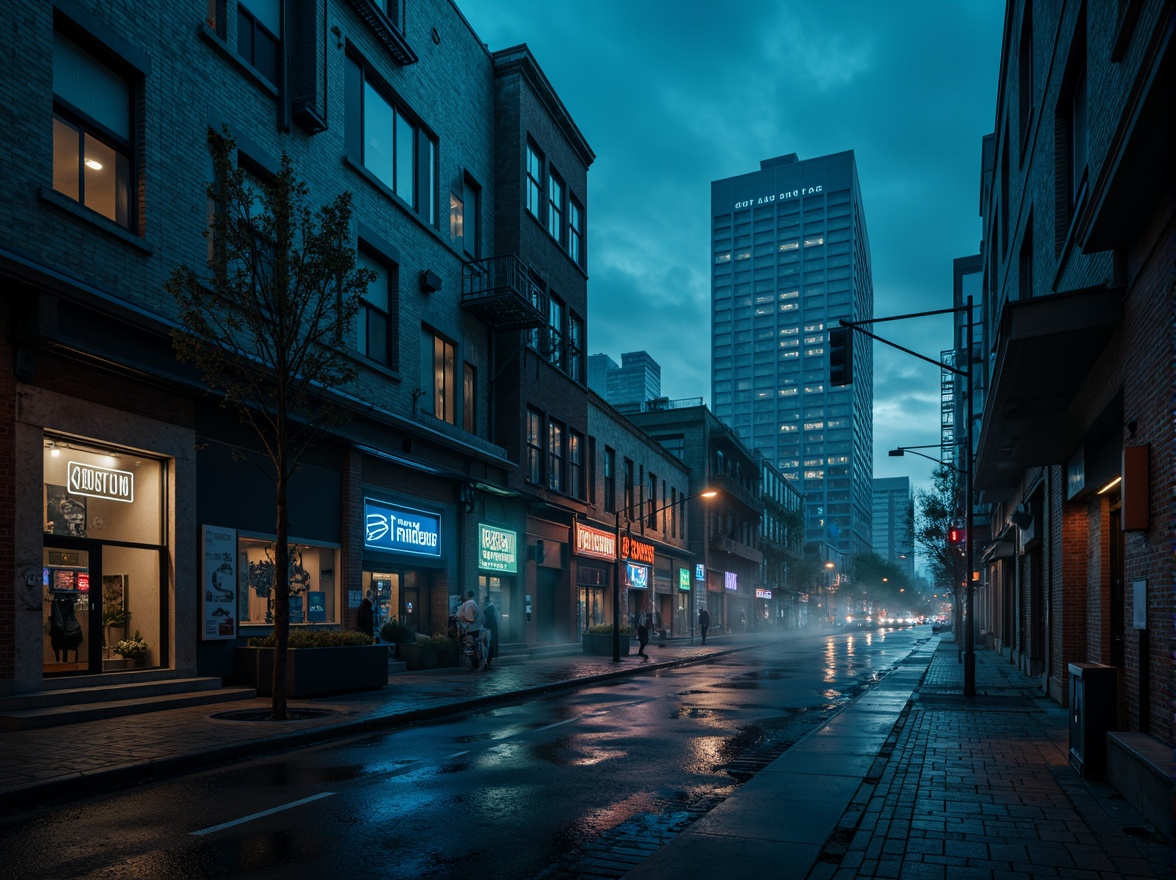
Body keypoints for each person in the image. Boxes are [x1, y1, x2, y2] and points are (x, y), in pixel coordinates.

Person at [457, 591, 484, 670]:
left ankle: (473, 663)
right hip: (475, 628)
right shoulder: (473, 604)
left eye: (465, 595)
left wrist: (464, 620)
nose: (464, 597)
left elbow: (469, 618)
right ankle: (475, 662)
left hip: (471, 629)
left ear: (468, 596)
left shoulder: (469, 604)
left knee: (469, 646)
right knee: (473, 646)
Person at [482, 597, 499, 670]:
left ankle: (487, 663)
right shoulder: (492, 609)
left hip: (489, 631)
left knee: (488, 647)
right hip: (493, 631)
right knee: (490, 648)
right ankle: (488, 663)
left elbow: (488, 622)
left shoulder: (488, 610)